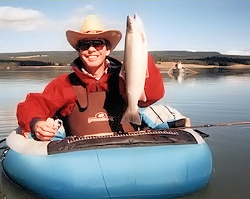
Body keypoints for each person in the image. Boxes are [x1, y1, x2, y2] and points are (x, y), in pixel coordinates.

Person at [16, 15, 165, 141]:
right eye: (85, 45)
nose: (91, 49)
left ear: (107, 50)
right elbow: (34, 104)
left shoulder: (123, 78)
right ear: (79, 51)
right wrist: (36, 123)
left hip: (128, 149)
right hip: (83, 157)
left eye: (98, 43)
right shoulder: (65, 83)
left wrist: (139, 53)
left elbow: (152, 95)